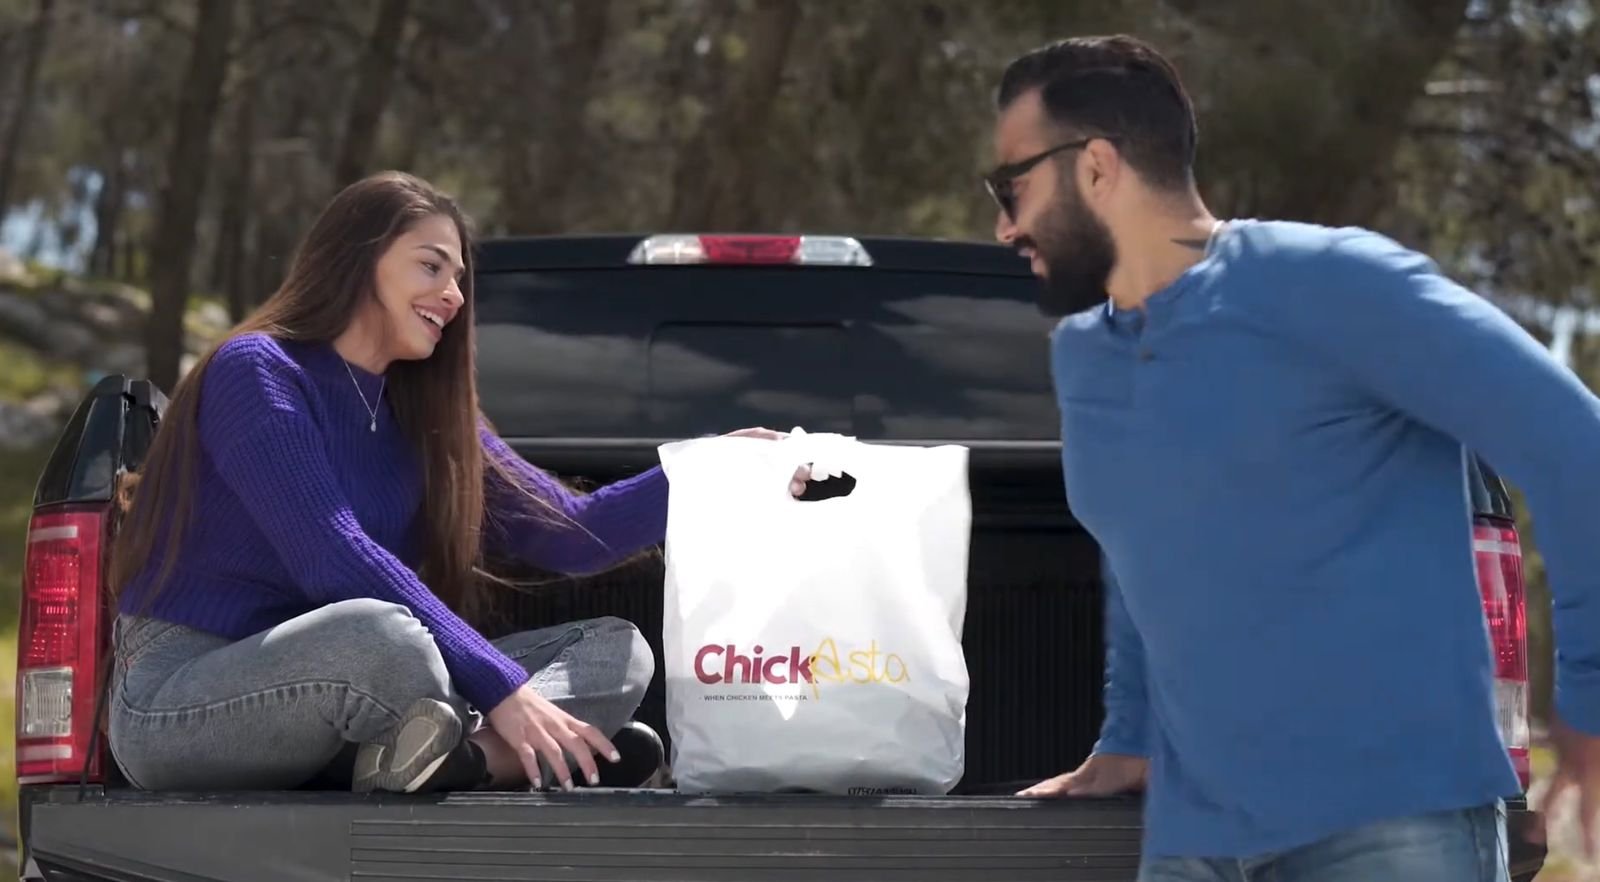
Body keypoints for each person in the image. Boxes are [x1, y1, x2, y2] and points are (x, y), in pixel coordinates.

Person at [988, 35, 1600, 882]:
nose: (1004, 225)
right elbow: (1140, 552)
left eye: (1012, 187)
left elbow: (1575, 444)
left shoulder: (1334, 285)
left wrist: (1588, 700)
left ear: (1096, 167)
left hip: (1388, 829)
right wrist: (1128, 738)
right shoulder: (1087, 356)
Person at [107, 171, 811, 795]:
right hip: (183, 698)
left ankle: (450, 760)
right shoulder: (258, 371)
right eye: (430, 266)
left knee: (614, 649)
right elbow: (332, 556)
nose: (452, 295)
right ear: (358, 260)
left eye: (458, 278)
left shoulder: (426, 415)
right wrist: (504, 690)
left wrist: (708, 471)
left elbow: (576, 534)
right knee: (381, 636)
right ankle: (513, 756)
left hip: (365, 695)